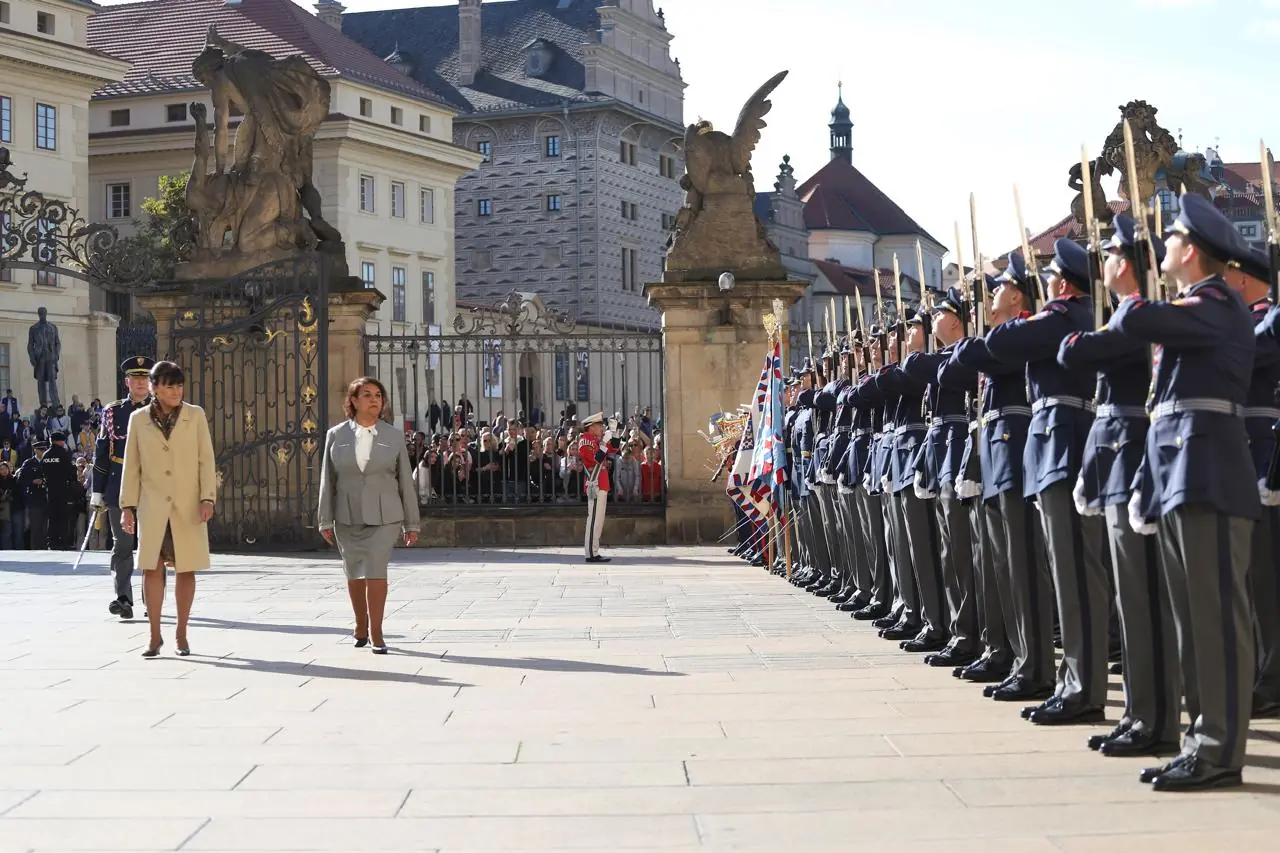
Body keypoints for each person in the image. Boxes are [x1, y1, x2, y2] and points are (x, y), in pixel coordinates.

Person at [1114, 192, 1258, 791]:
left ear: (1190, 250)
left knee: (1218, 620)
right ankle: (1201, 740)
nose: (1162, 250)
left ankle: (1221, 749)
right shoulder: (1196, 309)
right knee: (1192, 621)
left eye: (1169, 241)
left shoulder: (1218, 306)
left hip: (1211, 477)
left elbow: (1137, 320)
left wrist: (1126, 287)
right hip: (1180, 475)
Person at [1059, 213, 1180, 757]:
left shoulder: (1137, 318)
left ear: (1126, 265)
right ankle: (1140, 713)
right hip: (1114, 456)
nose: (1101, 263)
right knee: (1131, 598)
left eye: (1108, 255)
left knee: (1142, 596)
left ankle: (1153, 717)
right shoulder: (1127, 316)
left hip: (1133, 454)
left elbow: (1074, 353)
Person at [986, 238, 1110, 726]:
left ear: (1060, 283)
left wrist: (1013, 318)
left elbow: (999, 344)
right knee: (1070, 572)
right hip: (1058, 446)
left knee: (1076, 573)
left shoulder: (1063, 315)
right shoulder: (1068, 315)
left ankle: (1083, 687)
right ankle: (1075, 682)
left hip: (1065, 446)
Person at [119, 361, 218, 658]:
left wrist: (207, 498)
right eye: (169, 386)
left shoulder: (195, 415)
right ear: (154, 388)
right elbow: (131, 465)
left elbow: (206, 459)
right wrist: (127, 506)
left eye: (179, 385)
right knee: (151, 568)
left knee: (186, 567)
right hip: (152, 505)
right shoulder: (138, 419)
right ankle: (153, 636)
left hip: (187, 504)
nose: (176, 391)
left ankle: (182, 633)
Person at [317, 377, 420, 655]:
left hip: (385, 516)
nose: (375, 400)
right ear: (353, 401)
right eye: (367, 395)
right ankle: (360, 624)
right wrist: (325, 519)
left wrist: (412, 524)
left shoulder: (394, 436)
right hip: (346, 515)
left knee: (376, 567)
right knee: (354, 571)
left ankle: (376, 630)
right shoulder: (336, 435)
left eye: (378, 395)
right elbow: (328, 479)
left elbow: (405, 483)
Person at [1224, 242, 1280, 720]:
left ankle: (1271, 678)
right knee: (1251, 572)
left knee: (1266, 574)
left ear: (1241, 280)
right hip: (1247, 454)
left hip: (1266, 455)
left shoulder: (1266, 321)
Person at [92, 356, 155, 620]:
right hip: (120, 484)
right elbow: (102, 452)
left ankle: (152, 599)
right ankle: (123, 598)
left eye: (144, 378)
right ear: (127, 381)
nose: (140, 383)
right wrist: (98, 492)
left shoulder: (162, 409)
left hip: (153, 485)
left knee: (152, 547)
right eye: (135, 378)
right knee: (123, 544)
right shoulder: (112, 411)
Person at [579, 412, 616, 563]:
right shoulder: (586, 441)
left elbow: (614, 447)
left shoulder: (596, 440)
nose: (602, 428)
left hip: (602, 483)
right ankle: (590, 553)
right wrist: (604, 442)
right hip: (594, 483)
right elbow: (597, 458)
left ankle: (594, 550)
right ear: (592, 427)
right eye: (600, 426)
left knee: (598, 520)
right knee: (593, 519)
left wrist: (614, 432)